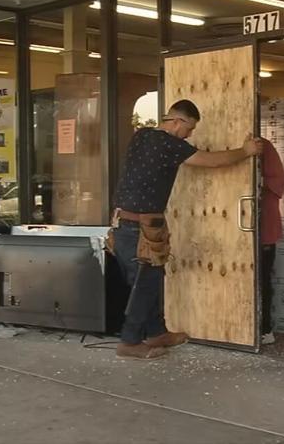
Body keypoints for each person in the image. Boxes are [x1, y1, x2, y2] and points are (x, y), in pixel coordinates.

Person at [109, 99, 263, 360]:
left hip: (128, 224)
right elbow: (212, 161)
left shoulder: (142, 136)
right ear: (177, 121)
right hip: (139, 227)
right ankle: (130, 342)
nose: (190, 135)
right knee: (145, 284)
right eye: (189, 128)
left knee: (150, 280)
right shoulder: (168, 144)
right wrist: (246, 151)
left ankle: (156, 332)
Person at [259, 138, 284, 345]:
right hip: (235, 228)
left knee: (262, 280)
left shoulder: (263, 146)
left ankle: (264, 328)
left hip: (264, 226)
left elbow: (278, 182)